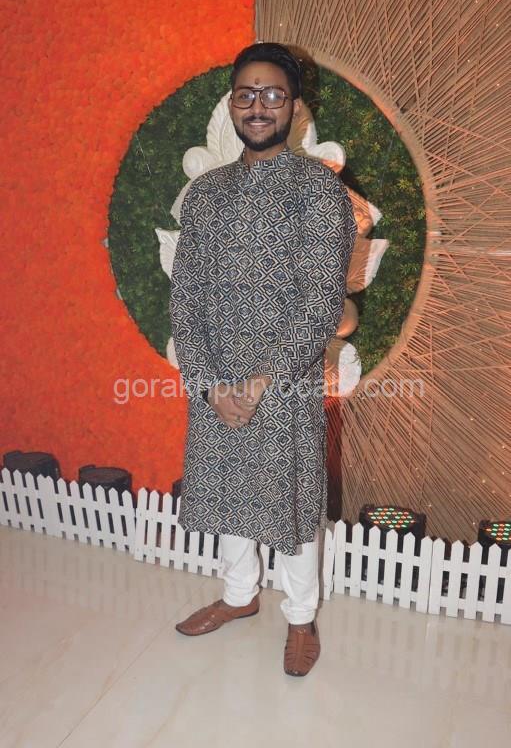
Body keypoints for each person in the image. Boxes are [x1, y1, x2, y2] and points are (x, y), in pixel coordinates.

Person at [169, 42, 356, 676]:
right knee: (228, 490)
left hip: (285, 380)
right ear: (231, 105)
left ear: (294, 108)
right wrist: (208, 382)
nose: (258, 106)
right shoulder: (205, 194)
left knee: (290, 502)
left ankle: (301, 617)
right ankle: (238, 596)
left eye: (273, 94)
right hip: (217, 377)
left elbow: (320, 300)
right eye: (246, 94)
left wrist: (263, 379)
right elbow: (186, 295)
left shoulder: (317, 191)